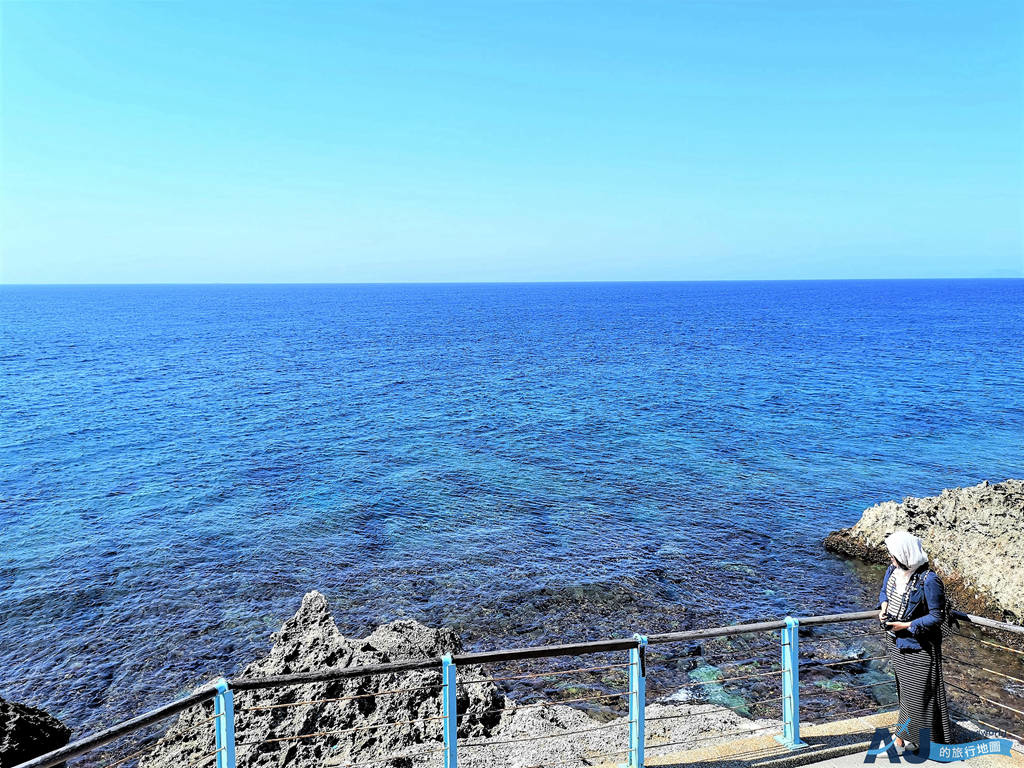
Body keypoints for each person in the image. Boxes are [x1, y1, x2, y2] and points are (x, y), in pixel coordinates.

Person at [878, 530, 952, 752]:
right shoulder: (893, 570)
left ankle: (914, 741)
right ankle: (911, 738)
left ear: (905, 554)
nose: (890, 559)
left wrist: (908, 625)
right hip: (895, 642)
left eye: (893, 555)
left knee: (919, 695)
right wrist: (883, 608)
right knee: (907, 693)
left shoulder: (930, 580)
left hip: (918, 647)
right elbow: (884, 593)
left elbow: (936, 616)